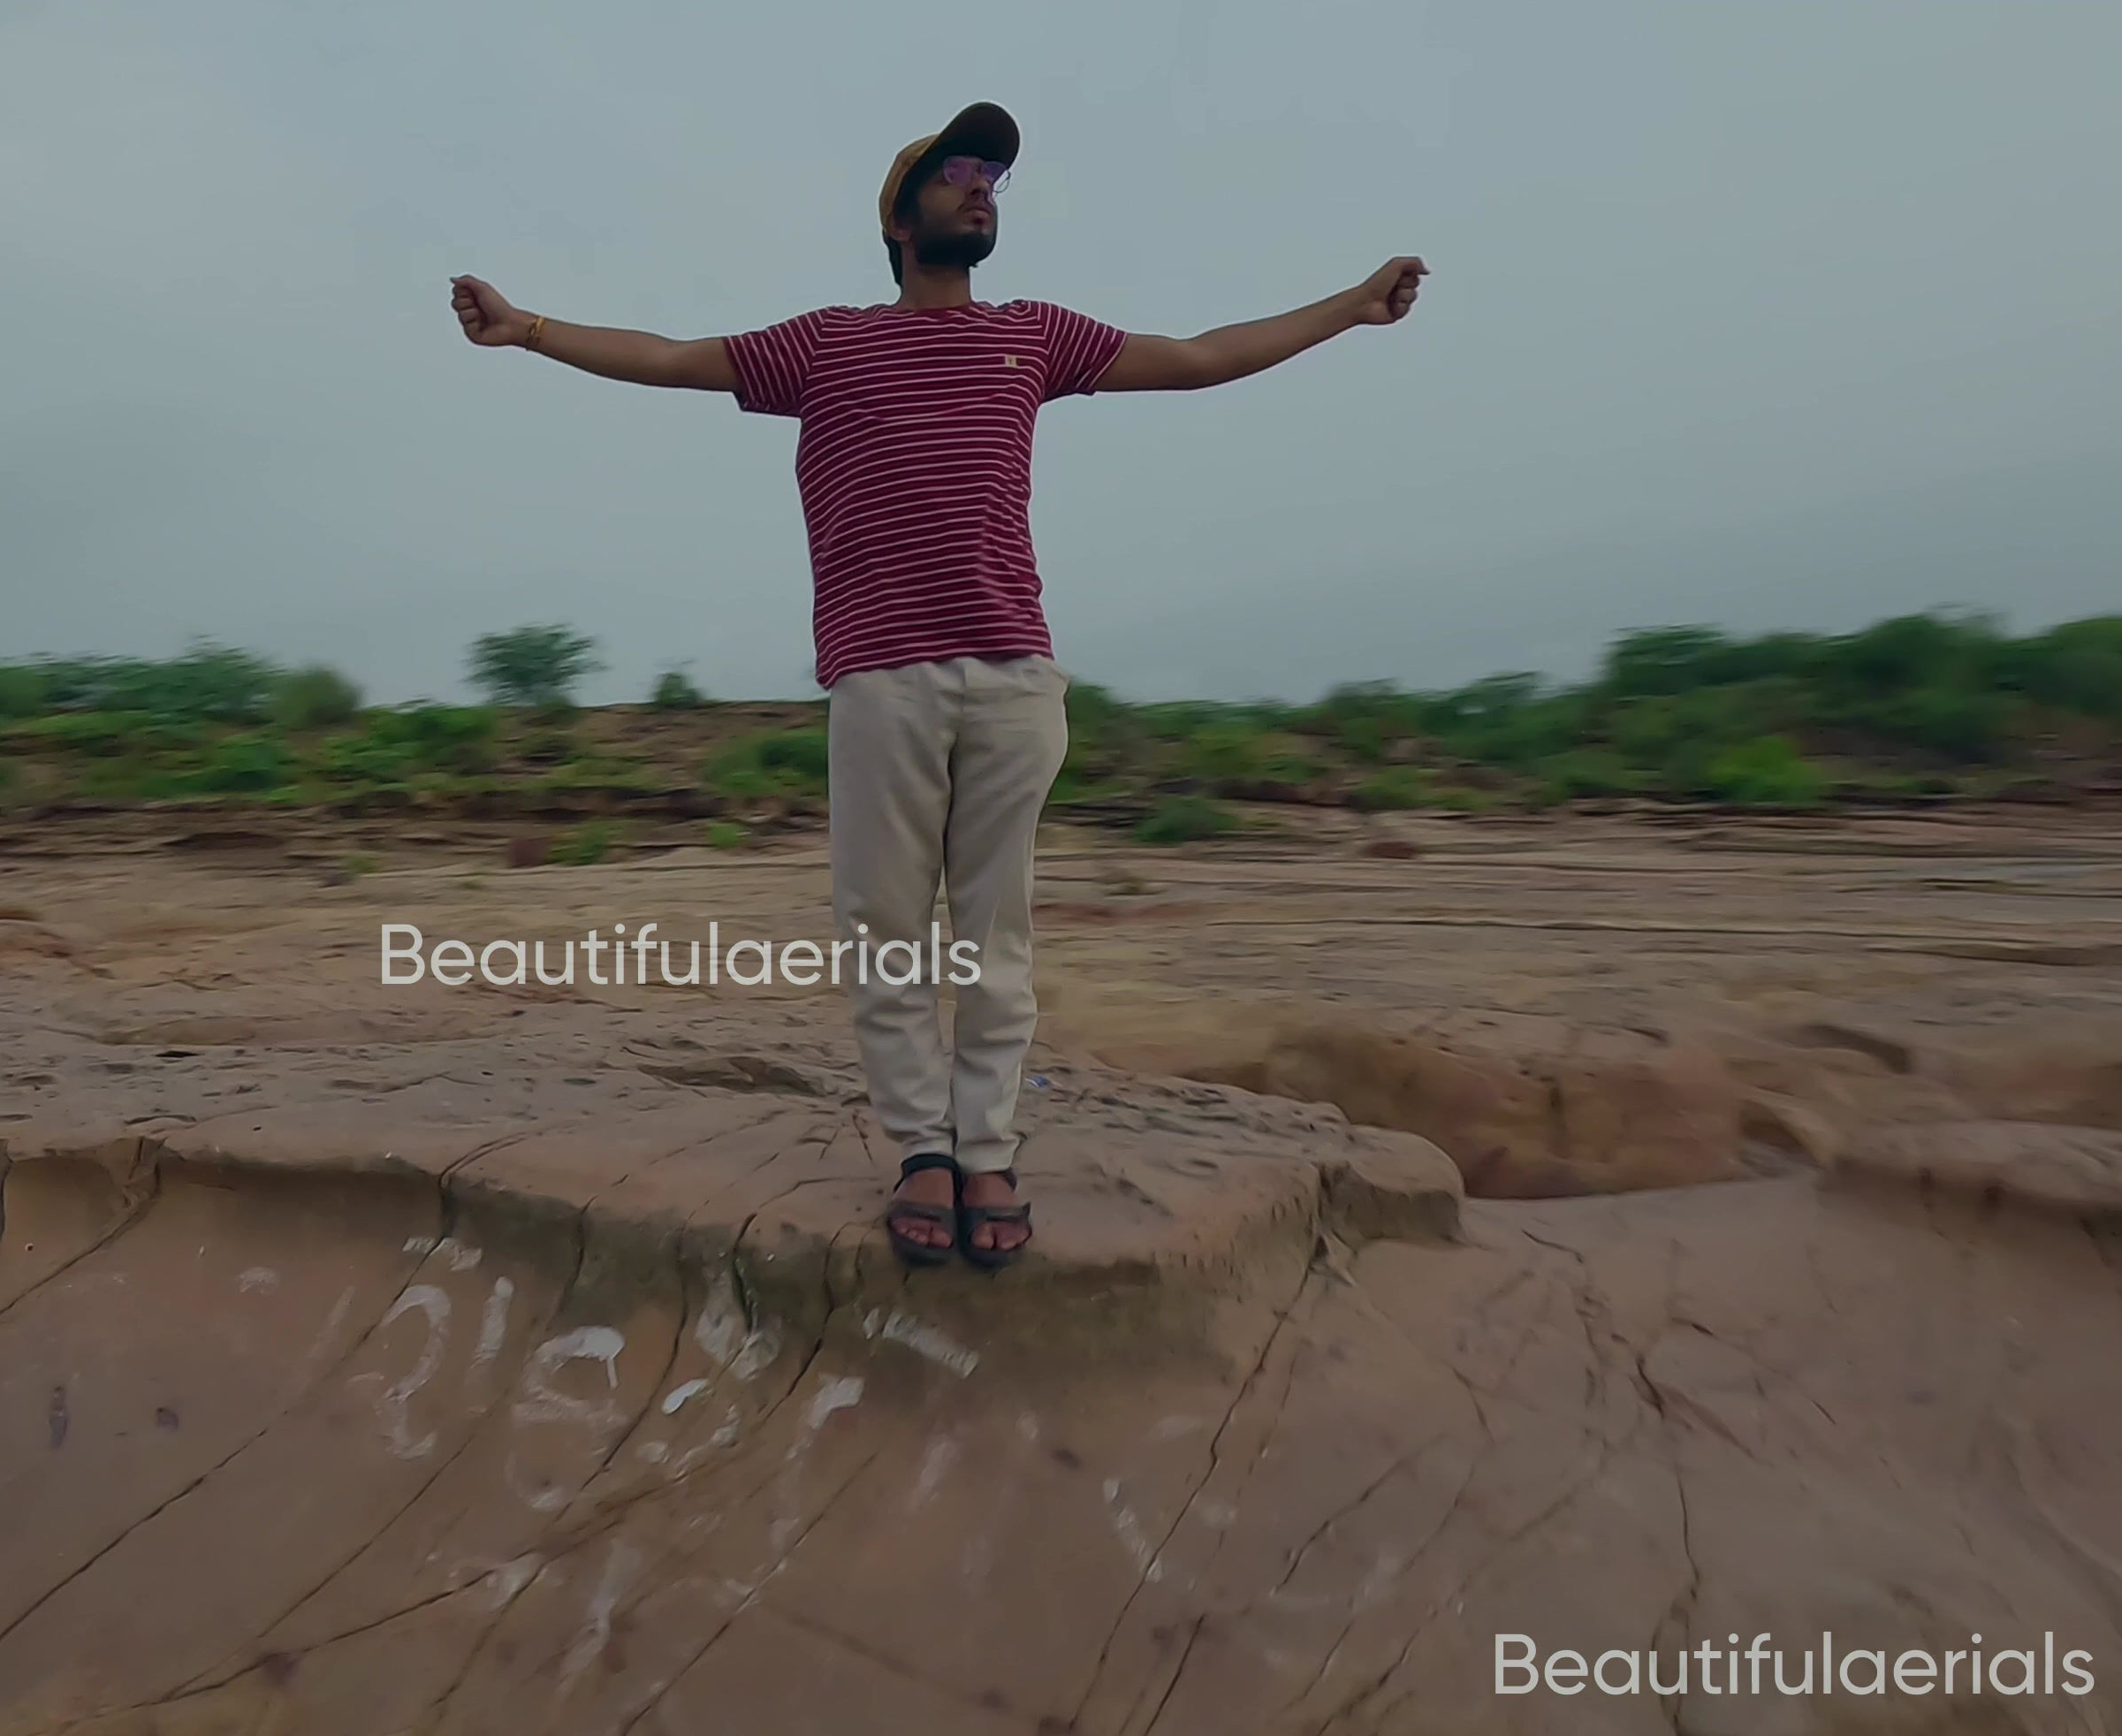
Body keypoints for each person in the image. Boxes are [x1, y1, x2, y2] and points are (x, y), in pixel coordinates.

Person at [450, 101, 1426, 1272]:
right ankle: (922, 1150)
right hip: (882, 680)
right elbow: (670, 359)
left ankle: (988, 1151)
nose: (983, 189)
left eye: (993, 178)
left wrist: (1349, 309)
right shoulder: (824, 347)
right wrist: (529, 328)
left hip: (1014, 678)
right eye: (959, 173)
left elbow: (1201, 358)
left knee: (993, 933)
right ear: (901, 216)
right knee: (886, 932)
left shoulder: (1036, 335)